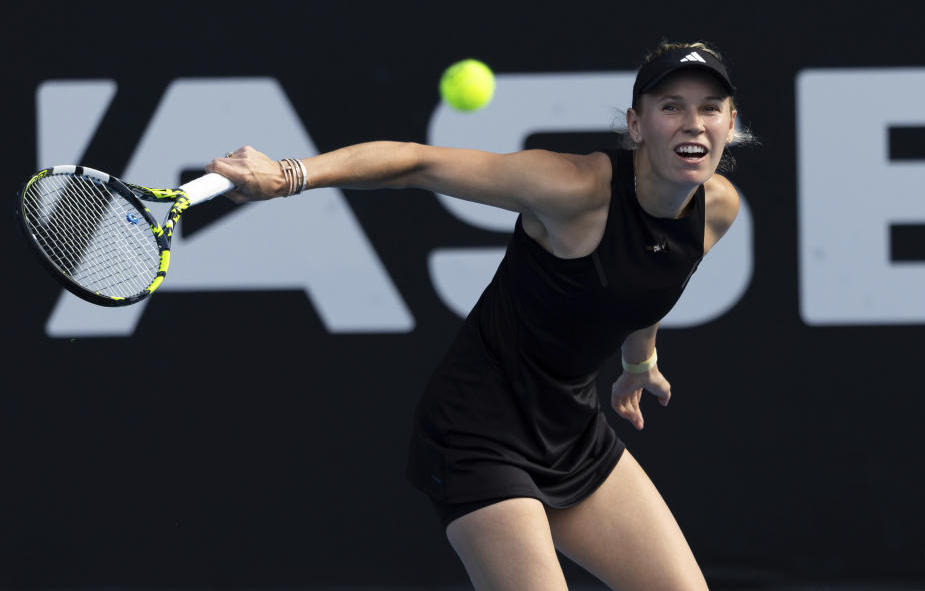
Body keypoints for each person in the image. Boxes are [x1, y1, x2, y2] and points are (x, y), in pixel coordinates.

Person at [208, 40, 746, 590]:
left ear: (730, 123)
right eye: (671, 107)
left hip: (570, 428)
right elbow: (418, 164)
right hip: (477, 431)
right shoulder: (571, 188)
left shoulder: (716, 208)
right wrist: (287, 174)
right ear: (637, 125)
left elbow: (649, 284)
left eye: (709, 108)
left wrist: (640, 361)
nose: (693, 124)